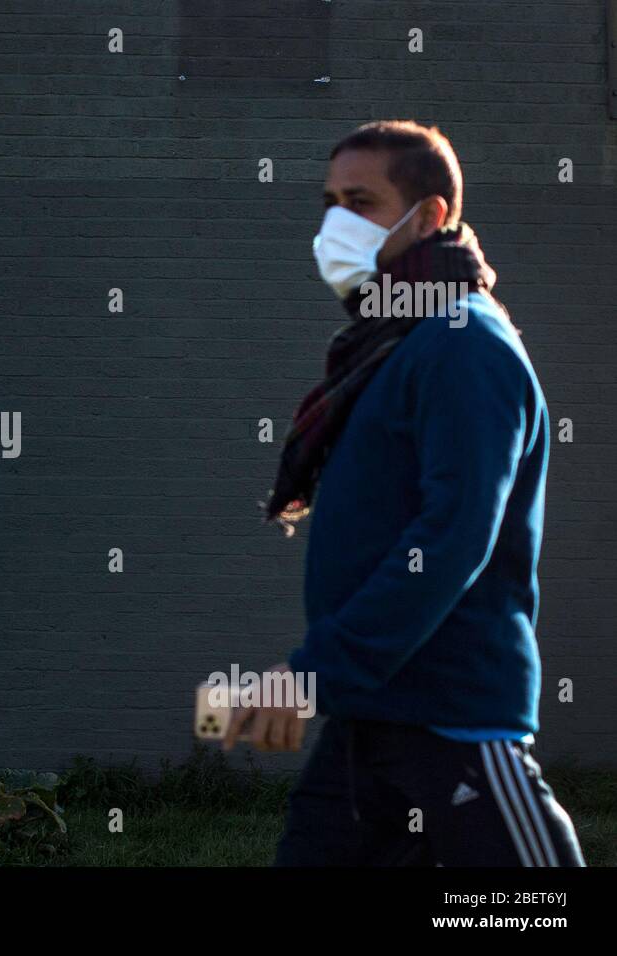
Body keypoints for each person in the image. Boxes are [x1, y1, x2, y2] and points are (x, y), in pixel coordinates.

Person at [225, 120, 586, 866]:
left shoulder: (464, 345)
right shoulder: (393, 344)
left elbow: (450, 539)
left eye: (361, 201)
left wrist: (315, 673)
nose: (337, 223)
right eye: (329, 201)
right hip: (369, 717)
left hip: (452, 724)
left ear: (430, 216)